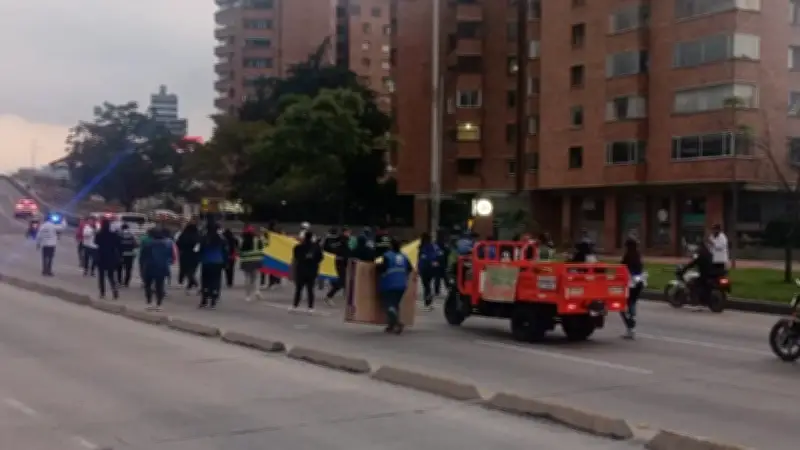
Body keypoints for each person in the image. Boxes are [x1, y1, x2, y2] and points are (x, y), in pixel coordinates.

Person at [376, 239, 413, 334]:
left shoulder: (387, 256)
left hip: (389, 283)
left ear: (391, 246)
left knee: (388, 304)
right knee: (395, 304)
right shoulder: (404, 256)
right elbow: (410, 269)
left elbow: (381, 269)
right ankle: (391, 326)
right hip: (402, 284)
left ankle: (397, 323)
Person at [139, 228, 173, 310]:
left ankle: (149, 302)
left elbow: (143, 257)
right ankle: (159, 304)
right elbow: (169, 256)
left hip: (150, 267)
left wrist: (142, 267)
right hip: (162, 267)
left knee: (148, 285)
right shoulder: (166, 245)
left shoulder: (148, 245)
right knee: (159, 286)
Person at [291, 231, 323, 313]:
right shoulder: (316, 247)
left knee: (298, 289)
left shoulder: (298, 247)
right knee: (310, 290)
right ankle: (311, 307)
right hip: (312, 270)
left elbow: (296, 257)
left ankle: (295, 306)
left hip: (301, 270)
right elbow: (320, 258)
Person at [620, 238, 646, 339]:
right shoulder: (638, 256)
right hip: (639, 282)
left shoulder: (628, 256)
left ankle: (630, 326)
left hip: (630, 283)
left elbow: (622, 268)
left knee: (623, 306)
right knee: (632, 303)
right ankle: (632, 326)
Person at [198, 223, 228, 309]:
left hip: (206, 262)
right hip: (218, 262)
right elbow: (225, 251)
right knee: (215, 281)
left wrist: (199, 258)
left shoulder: (204, 238)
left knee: (205, 281)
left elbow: (199, 249)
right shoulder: (221, 238)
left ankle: (204, 300)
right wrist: (225, 262)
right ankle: (213, 301)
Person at [679, 242, 715, 308]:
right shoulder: (710, 254)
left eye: (699, 248)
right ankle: (702, 300)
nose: (698, 249)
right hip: (711, 274)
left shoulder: (701, 255)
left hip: (705, 275)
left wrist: (684, 269)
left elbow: (692, 264)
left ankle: (695, 301)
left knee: (694, 285)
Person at [93, 219, 121, 300]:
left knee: (101, 276)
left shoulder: (99, 234)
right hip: (111, 257)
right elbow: (118, 243)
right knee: (111, 276)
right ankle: (114, 291)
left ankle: (102, 293)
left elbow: (96, 242)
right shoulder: (113, 235)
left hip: (101, 256)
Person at [322, 226, 349, 305]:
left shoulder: (342, 239)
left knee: (344, 280)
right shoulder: (342, 240)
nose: (349, 234)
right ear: (344, 232)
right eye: (348, 232)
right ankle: (329, 296)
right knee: (342, 281)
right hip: (340, 262)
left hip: (343, 262)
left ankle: (343, 295)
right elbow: (342, 250)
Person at [238, 225, 264, 302]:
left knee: (247, 278)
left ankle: (247, 296)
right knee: (255, 277)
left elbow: (240, 252)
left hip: (246, 261)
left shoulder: (243, 241)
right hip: (256, 260)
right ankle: (256, 290)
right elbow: (262, 247)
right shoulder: (257, 240)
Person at [176, 222, 202, 294]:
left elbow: (178, 244)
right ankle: (189, 288)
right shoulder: (198, 236)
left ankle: (196, 286)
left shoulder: (183, 235)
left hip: (185, 255)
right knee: (192, 272)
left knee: (188, 272)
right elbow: (200, 246)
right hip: (195, 256)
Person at [417, 232, 440, 311]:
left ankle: (428, 300)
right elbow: (436, 255)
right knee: (428, 284)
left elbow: (420, 258)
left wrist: (418, 268)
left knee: (426, 285)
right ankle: (428, 299)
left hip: (424, 268)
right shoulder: (433, 246)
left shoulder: (421, 247)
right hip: (431, 267)